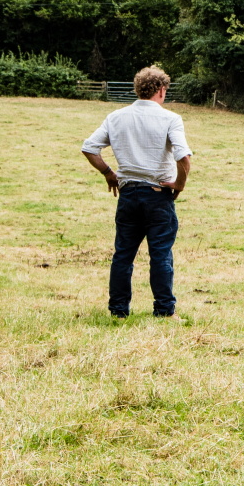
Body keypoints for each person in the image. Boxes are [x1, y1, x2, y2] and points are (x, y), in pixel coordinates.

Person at [80, 66, 194, 317]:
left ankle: (118, 310)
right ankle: (164, 310)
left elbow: (89, 148)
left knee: (123, 254)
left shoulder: (116, 117)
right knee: (160, 254)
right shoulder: (170, 119)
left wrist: (109, 173)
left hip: (128, 194)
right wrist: (179, 184)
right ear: (161, 90)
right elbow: (183, 157)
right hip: (158, 194)